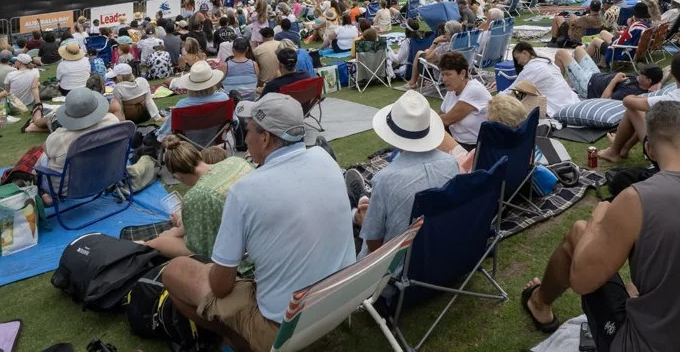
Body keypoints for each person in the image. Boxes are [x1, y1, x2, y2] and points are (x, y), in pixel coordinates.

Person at [522, 101, 680, 351]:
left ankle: (539, 303)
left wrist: (597, 221)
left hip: (642, 344)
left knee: (579, 231)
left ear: (649, 149)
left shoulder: (635, 199)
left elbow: (582, 281)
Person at [162, 93, 356, 352]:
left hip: (286, 328)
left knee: (175, 271)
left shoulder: (244, 192)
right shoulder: (324, 157)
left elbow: (220, 288)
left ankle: (239, 340)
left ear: (264, 138)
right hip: (341, 297)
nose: (245, 138)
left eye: (248, 129)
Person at [355, 90, 459, 253]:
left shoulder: (385, 179)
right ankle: (362, 205)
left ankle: (358, 211)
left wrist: (367, 223)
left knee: (364, 220)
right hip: (443, 250)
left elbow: (374, 243)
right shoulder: (451, 163)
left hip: (401, 262)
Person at [140, 134, 253, 260]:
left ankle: (141, 246)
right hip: (257, 234)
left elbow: (200, 246)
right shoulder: (237, 161)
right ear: (199, 155)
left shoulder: (197, 195)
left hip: (237, 253)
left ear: (177, 176)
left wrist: (171, 235)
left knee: (160, 241)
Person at [598, 51, 680, 167]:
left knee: (633, 110)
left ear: (673, 74)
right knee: (653, 116)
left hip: (677, 166)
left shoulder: (670, 100)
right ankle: (624, 148)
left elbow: (627, 101)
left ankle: (613, 152)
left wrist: (639, 96)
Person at [41, 87, 121, 173]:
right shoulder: (112, 121)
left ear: (68, 114)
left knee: (44, 158)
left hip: (71, 180)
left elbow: (46, 149)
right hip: (108, 173)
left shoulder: (59, 138)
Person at [510, 41, 579, 118]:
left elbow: (512, 91)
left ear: (525, 53)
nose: (518, 62)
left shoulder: (531, 69)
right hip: (572, 100)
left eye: (518, 58)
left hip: (559, 107)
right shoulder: (547, 62)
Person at [437, 51, 490, 148]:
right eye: (443, 75)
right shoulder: (452, 89)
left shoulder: (474, 90)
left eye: (448, 74)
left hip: (477, 147)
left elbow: (447, 120)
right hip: (457, 141)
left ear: (462, 73)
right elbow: (440, 115)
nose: (444, 79)